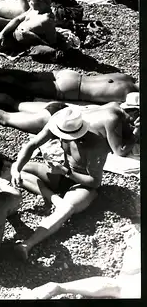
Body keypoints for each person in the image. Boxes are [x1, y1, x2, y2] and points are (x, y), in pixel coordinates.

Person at [9, 106, 114, 259]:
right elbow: (32, 145)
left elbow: (94, 182)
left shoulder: (96, 145)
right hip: (62, 172)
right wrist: (16, 169)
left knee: (66, 209)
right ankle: (54, 198)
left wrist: (66, 172)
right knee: (17, 167)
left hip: (82, 183)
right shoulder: (60, 124)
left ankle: (27, 245)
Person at [0, 93, 140, 155]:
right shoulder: (114, 120)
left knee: (15, 104)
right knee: (4, 117)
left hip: (62, 109)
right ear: (134, 111)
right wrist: (135, 134)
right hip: (56, 120)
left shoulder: (114, 106)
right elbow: (120, 152)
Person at [0, 67, 139, 104]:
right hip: (72, 89)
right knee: (23, 85)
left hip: (71, 74)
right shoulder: (128, 96)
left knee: (26, 75)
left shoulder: (127, 77)